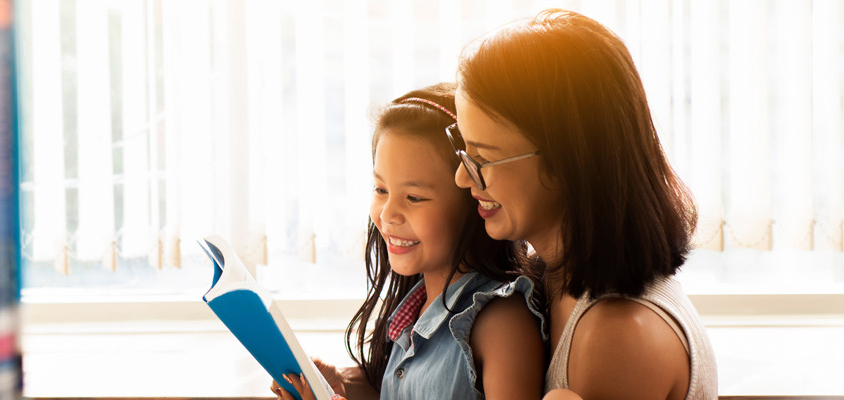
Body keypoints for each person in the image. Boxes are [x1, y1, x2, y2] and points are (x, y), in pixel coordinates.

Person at [450, 9, 717, 400]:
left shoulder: (619, 335)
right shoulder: (553, 281)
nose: (462, 177)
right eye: (463, 148)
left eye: (483, 158)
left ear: (566, 163)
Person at [273, 83, 547, 400]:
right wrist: (340, 388)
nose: (388, 214)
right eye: (381, 190)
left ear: (474, 200)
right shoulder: (413, 314)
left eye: (414, 197)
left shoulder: (500, 324)